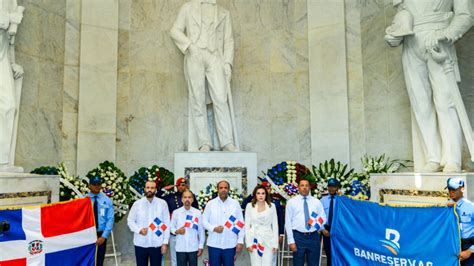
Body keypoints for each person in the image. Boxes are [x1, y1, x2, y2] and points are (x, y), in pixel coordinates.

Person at [385, 0, 473, 173]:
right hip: (411, 43)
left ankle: (452, 159)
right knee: (420, 105)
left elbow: (466, 15)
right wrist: (394, 33)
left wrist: (447, 33)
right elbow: (402, 15)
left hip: (439, 40)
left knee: (446, 102)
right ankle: (432, 156)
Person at [170, 0, 237, 152]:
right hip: (195, 55)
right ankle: (204, 142)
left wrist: (228, 63)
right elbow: (175, 30)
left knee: (221, 98)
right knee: (197, 98)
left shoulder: (224, 13)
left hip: (216, 57)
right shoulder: (187, 8)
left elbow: (229, 40)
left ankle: (227, 141)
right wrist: (189, 46)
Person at [0, 0, 24, 172]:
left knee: (9, 106)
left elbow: (8, 43)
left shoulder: (10, 4)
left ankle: (2, 162)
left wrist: (13, 63)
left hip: (3, 60)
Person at [241, 181, 285, 266]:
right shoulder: (249, 206)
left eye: (263, 193)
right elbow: (246, 226)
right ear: (255, 195)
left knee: (268, 263)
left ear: (266, 194)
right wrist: (248, 243)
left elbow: (275, 226)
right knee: (255, 264)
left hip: (268, 240)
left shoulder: (272, 206)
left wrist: (275, 244)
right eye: (258, 193)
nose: (261, 195)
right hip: (254, 239)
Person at [128, 181, 170, 266]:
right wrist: (139, 230)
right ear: (144, 189)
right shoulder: (137, 204)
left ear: (155, 190)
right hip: (141, 243)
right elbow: (130, 220)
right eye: (147, 187)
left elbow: (167, 223)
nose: (149, 190)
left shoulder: (162, 204)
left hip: (157, 244)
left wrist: (165, 242)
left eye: (152, 188)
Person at [158, 177, 199, 266]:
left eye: (183, 185)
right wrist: (163, 189)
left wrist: (191, 194)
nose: (181, 187)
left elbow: (196, 208)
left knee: (191, 260)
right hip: (175, 232)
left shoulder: (190, 197)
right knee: (175, 259)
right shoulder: (170, 197)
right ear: (176, 186)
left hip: (188, 232)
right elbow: (157, 198)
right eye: (179, 185)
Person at [203, 179, 244, 266]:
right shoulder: (210, 204)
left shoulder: (235, 204)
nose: (223, 189)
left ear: (228, 189)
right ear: (217, 189)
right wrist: (214, 228)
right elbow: (204, 221)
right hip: (214, 244)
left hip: (230, 244)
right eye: (221, 188)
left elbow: (241, 223)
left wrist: (240, 241)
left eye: (225, 188)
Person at [285, 179, 326, 266]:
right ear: (298, 187)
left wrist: (315, 222)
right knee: (298, 264)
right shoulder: (291, 202)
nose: (304, 188)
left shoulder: (316, 202)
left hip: (314, 237)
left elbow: (323, 218)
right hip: (298, 237)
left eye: (306, 185)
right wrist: (291, 241)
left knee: (314, 263)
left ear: (309, 187)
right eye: (302, 185)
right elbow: (288, 223)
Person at [170, 190, 205, 266]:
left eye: (189, 197)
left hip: (193, 247)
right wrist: (177, 231)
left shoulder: (197, 213)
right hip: (180, 247)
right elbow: (171, 227)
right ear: (182, 199)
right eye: (185, 197)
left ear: (192, 199)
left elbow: (201, 231)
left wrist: (201, 246)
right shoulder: (176, 212)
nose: (187, 199)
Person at [85, 175, 114, 266]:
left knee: (99, 260)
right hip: (88, 234)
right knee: (88, 260)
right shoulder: (84, 200)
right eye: (94, 184)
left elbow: (110, 219)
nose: (97, 186)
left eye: (98, 184)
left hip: (101, 234)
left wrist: (104, 236)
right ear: (89, 186)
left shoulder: (107, 200)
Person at [447, 177, 474, 265]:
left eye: (454, 189)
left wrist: (470, 251)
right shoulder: (446, 208)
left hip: (468, 246)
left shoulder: (471, 207)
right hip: (452, 245)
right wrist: (445, 209)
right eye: (449, 189)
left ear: (462, 189)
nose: (451, 192)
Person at [320, 178, 341, 266]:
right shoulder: (322, 200)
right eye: (330, 186)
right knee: (329, 253)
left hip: (338, 229)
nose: (331, 189)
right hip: (326, 230)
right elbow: (317, 216)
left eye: (334, 187)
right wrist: (322, 229)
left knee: (339, 253)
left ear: (337, 188)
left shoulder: (342, 200)